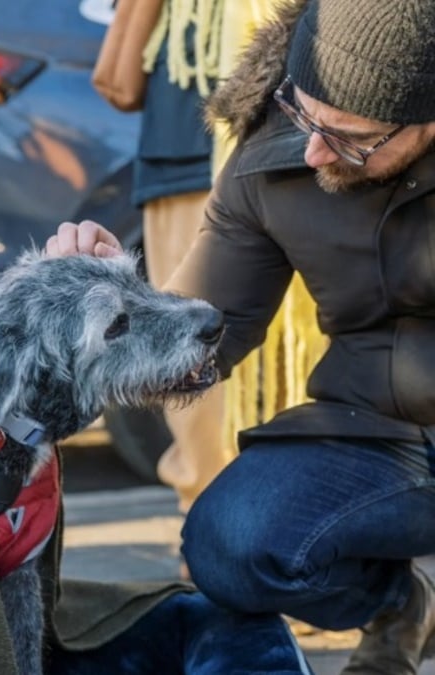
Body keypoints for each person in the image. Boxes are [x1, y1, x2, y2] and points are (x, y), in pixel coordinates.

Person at [48, 0, 435, 672]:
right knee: (229, 543)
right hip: (374, 424)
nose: (313, 148)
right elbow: (200, 329)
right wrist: (112, 298)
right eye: (304, 112)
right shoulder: (274, 156)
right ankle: (399, 599)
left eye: (347, 136)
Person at [128, 0, 234, 535]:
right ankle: (213, 530)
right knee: (190, 343)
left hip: (201, 139)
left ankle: (215, 528)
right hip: (193, 147)